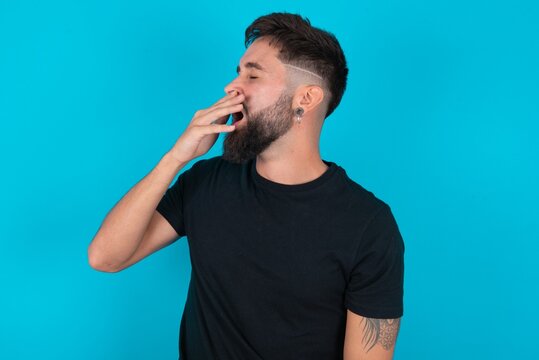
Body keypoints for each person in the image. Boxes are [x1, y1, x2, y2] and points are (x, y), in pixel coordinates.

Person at [88, 12, 405, 360]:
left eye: (253, 74)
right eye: (238, 72)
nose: (232, 87)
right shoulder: (207, 181)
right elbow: (106, 257)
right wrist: (176, 158)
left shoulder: (368, 225)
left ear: (306, 98)